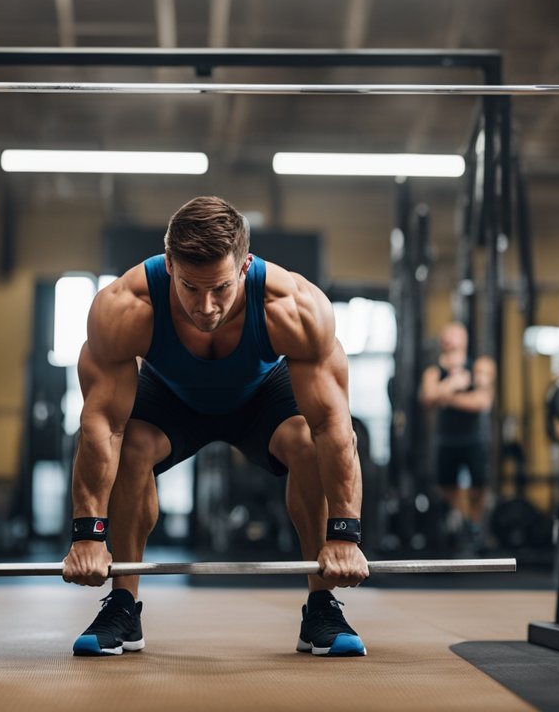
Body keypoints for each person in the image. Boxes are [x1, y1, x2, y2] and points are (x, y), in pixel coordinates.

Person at [61, 196, 369, 657]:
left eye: (220, 288)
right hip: (172, 394)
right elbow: (103, 425)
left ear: (245, 266)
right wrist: (88, 534)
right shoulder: (125, 307)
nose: (205, 307)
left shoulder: (295, 307)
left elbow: (332, 426)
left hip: (260, 393)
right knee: (133, 445)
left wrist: (344, 535)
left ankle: (322, 605)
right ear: (169, 265)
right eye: (189, 287)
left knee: (306, 439)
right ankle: (123, 605)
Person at [419, 323, 495, 551]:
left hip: (473, 438)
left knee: (478, 488)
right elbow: (428, 398)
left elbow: (482, 402)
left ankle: (475, 528)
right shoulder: (433, 370)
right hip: (446, 439)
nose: (451, 340)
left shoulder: (479, 366)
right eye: (447, 336)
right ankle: (455, 525)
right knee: (446, 487)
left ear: (465, 339)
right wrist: (452, 384)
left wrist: (446, 396)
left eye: (456, 335)